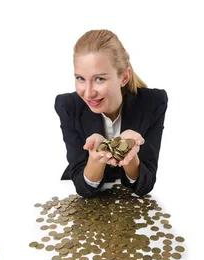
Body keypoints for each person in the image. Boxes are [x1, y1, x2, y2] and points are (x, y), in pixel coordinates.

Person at [55, 29, 167, 198]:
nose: (88, 92)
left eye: (99, 79)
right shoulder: (68, 106)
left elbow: (146, 185)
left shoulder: (152, 103)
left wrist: (131, 152)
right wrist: (95, 158)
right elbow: (81, 186)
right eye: (80, 78)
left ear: (124, 77)